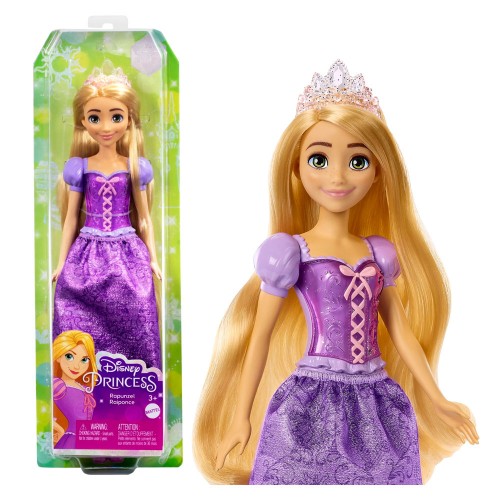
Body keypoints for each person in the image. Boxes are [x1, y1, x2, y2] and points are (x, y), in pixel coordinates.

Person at [193, 61, 479, 485]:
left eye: (358, 161)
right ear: (296, 168)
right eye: (319, 159)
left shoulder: (379, 252)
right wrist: (241, 417)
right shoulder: (290, 251)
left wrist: (437, 399)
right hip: (312, 399)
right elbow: (260, 338)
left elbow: (402, 334)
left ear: (378, 171)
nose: (338, 176)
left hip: (378, 401)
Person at [52, 65, 162, 369]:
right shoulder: (80, 167)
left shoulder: (135, 167)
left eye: (116, 117)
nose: (105, 126)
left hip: (128, 253)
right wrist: (61, 263)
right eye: (94, 117)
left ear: (129, 120)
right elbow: (71, 218)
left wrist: (153, 259)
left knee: (138, 310)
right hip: (87, 253)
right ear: (83, 121)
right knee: (75, 315)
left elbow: (144, 219)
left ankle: (139, 379)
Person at [53, 330, 97, 449]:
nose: (77, 366)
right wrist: (59, 429)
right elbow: (45, 411)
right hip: (71, 440)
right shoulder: (57, 384)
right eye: (69, 356)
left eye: (84, 360)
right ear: (58, 356)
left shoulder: (85, 388)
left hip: (88, 440)